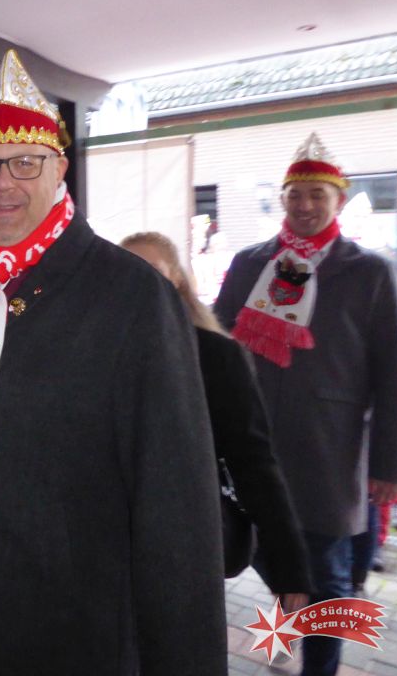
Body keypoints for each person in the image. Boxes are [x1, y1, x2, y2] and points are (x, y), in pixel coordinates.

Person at [0, 50, 226, 675]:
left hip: (60, 634)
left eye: (25, 162)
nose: (3, 183)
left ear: (60, 168)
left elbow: (176, 506)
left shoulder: (131, 296)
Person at [214, 133, 397, 676]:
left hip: (330, 453)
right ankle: (284, 636)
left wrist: (388, 465)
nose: (305, 204)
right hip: (253, 447)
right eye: (295, 194)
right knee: (268, 559)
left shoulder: (368, 272)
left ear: (338, 200)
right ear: (283, 200)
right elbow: (217, 344)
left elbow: (392, 373)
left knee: (327, 579)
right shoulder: (250, 264)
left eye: (318, 194)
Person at [120, 231, 312, 609]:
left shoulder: (215, 356)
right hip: (104, 544)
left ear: (176, 279)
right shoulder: (94, 351)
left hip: (181, 543)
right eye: (127, 272)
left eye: (152, 271)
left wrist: (288, 564)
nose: (140, 282)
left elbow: (253, 461)